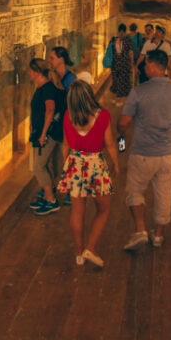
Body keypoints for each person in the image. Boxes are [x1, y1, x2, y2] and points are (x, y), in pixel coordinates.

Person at [118, 49, 171, 251]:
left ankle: (140, 230)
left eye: (147, 64)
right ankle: (158, 235)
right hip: (167, 155)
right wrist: (167, 146)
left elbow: (124, 121)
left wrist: (119, 131)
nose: (144, 67)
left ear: (154, 67)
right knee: (164, 195)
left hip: (142, 153)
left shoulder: (139, 92)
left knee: (135, 191)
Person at [56, 79, 119, 268]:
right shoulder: (103, 116)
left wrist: (65, 167)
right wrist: (116, 164)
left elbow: (66, 145)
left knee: (77, 211)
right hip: (95, 165)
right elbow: (109, 144)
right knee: (103, 209)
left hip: (75, 163)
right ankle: (90, 248)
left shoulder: (68, 117)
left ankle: (79, 253)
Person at [25, 58, 65, 215]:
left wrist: (42, 134)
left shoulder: (47, 88)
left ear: (36, 72)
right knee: (44, 165)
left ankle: (51, 200)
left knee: (38, 166)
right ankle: (48, 195)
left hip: (47, 133)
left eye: (30, 70)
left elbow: (50, 110)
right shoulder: (43, 87)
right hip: (43, 132)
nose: (28, 73)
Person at [109, 24, 135, 98]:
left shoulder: (113, 40)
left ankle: (117, 98)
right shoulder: (128, 40)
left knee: (116, 81)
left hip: (115, 64)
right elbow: (131, 54)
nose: (121, 33)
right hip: (124, 64)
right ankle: (120, 98)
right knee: (123, 81)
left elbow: (110, 51)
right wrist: (132, 64)